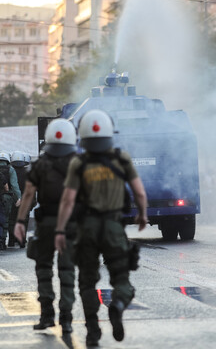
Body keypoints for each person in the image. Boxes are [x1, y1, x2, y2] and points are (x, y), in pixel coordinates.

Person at [55, 109, 148, 346]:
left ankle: (92, 332)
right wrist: (142, 215)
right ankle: (117, 304)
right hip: (114, 228)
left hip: (87, 229)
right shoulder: (122, 159)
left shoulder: (78, 162)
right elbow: (139, 191)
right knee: (121, 278)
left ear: (82, 136)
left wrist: (60, 230)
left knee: (87, 282)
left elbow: (67, 200)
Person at [14, 119, 79, 335]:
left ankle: (46, 316)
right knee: (67, 270)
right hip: (70, 223)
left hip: (45, 223)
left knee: (43, 269)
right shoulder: (78, 163)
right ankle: (67, 319)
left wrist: (20, 222)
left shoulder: (40, 163)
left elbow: (28, 194)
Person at [0, 151, 21, 248]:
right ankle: (2, 241)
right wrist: (18, 198)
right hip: (7, 198)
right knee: (5, 220)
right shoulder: (10, 169)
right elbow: (14, 186)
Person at [9, 150, 32, 248]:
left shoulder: (10, 170)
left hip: (13, 196)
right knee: (24, 219)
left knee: (12, 219)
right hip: (25, 197)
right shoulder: (27, 172)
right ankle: (22, 239)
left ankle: (11, 240)